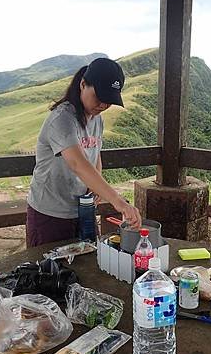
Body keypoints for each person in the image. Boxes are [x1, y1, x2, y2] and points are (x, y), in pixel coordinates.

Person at [26, 57, 142, 247]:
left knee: (87, 262)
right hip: (50, 211)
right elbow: (78, 164)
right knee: (49, 271)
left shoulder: (97, 119)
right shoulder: (62, 118)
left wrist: (95, 187)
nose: (103, 105)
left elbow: (94, 155)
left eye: (109, 100)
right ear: (82, 84)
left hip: (83, 208)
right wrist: (118, 201)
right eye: (99, 97)